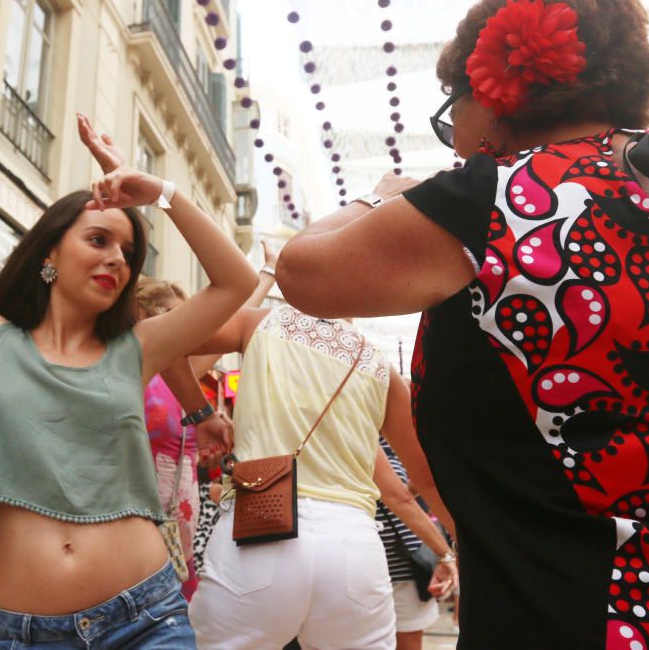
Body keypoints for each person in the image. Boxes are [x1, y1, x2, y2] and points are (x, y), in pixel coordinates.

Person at [276, 0, 649, 647]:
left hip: (560, 607)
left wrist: (380, 196)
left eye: (455, 113)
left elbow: (301, 270)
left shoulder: (496, 198)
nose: (456, 142)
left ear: (494, 91)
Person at [0, 76, 256, 649]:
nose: (117, 258)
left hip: (146, 619)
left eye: (128, 252)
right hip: (19, 634)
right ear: (50, 251)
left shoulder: (137, 349)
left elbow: (236, 280)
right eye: (98, 240)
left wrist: (161, 195)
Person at [184, 281, 458, 648]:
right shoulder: (380, 367)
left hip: (256, 531)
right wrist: (461, 551)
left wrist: (201, 415)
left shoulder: (260, 324)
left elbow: (166, 345)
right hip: (352, 544)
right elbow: (424, 478)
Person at [136, 241, 280, 600]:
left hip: (181, 514)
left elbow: (239, 315)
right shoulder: (134, 367)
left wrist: (269, 274)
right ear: (145, 314)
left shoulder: (181, 374)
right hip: (133, 510)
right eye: (172, 314)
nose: (191, 328)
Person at [375, 437, 446, 650]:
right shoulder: (353, 431)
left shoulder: (396, 442)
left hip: (407, 564)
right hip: (361, 564)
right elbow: (399, 498)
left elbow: (407, 495)